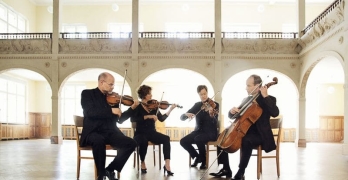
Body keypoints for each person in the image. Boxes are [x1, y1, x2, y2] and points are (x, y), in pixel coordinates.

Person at [209, 74, 279, 180]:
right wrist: (232, 111)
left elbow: (275, 112)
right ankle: (226, 168)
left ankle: (241, 172)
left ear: (258, 86)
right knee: (221, 137)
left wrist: (265, 96)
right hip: (243, 130)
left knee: (247, 140)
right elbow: (235, 116)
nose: (246, 88)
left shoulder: (269, 99)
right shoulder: (246, 99)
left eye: (248, 85)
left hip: (260, 135)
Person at [80, 72, 138, 180]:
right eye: (111, 84)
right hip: (93, 131)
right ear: (102, 82)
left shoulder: (113, 99)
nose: (113, 87)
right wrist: (111, 110)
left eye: (113, 85)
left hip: (110, 132)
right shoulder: (87, 94)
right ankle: (101, 175)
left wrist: (132, 109)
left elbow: (119, 120)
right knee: (98, 140)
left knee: (131, 143)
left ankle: (110, 169)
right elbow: (90, 112)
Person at [129, 85, 177, 175]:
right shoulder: (138, 106)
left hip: (152, 133)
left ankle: (167, 165)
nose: (151, 95)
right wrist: (148, 116)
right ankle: (142, 162)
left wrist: (170, 109)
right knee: (143, 141)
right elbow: (133, 119)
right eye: (149, 93)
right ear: (144, 95)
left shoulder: (154, 107)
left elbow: (161, 118)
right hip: (140, 133)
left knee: (166, 138)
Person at [180, 85, 219, 170]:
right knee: (183, 141)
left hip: (210, 132)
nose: (203, 96)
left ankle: (204, 161)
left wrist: (211, 114)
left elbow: (215, 122)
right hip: (198, 131)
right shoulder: (197, 105)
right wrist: (186, 114)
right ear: (198, 95)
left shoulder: (214, 105)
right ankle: (197, 157)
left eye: (205, 94)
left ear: (207, 93)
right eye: (201, 94)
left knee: (198, 138)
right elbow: (182, 118)